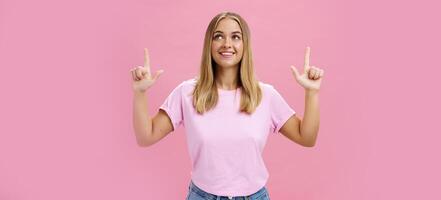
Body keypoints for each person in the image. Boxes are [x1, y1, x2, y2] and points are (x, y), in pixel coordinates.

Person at [130, 12, 324, 200]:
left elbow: (306, 138)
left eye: (236, 37)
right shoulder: (187, 93)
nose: (227, 44)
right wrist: (140, 93)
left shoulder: (265, 95)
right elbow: (146, 137)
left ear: (245, 44)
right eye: (218, 36)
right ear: (209, 44)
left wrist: (312, 93)